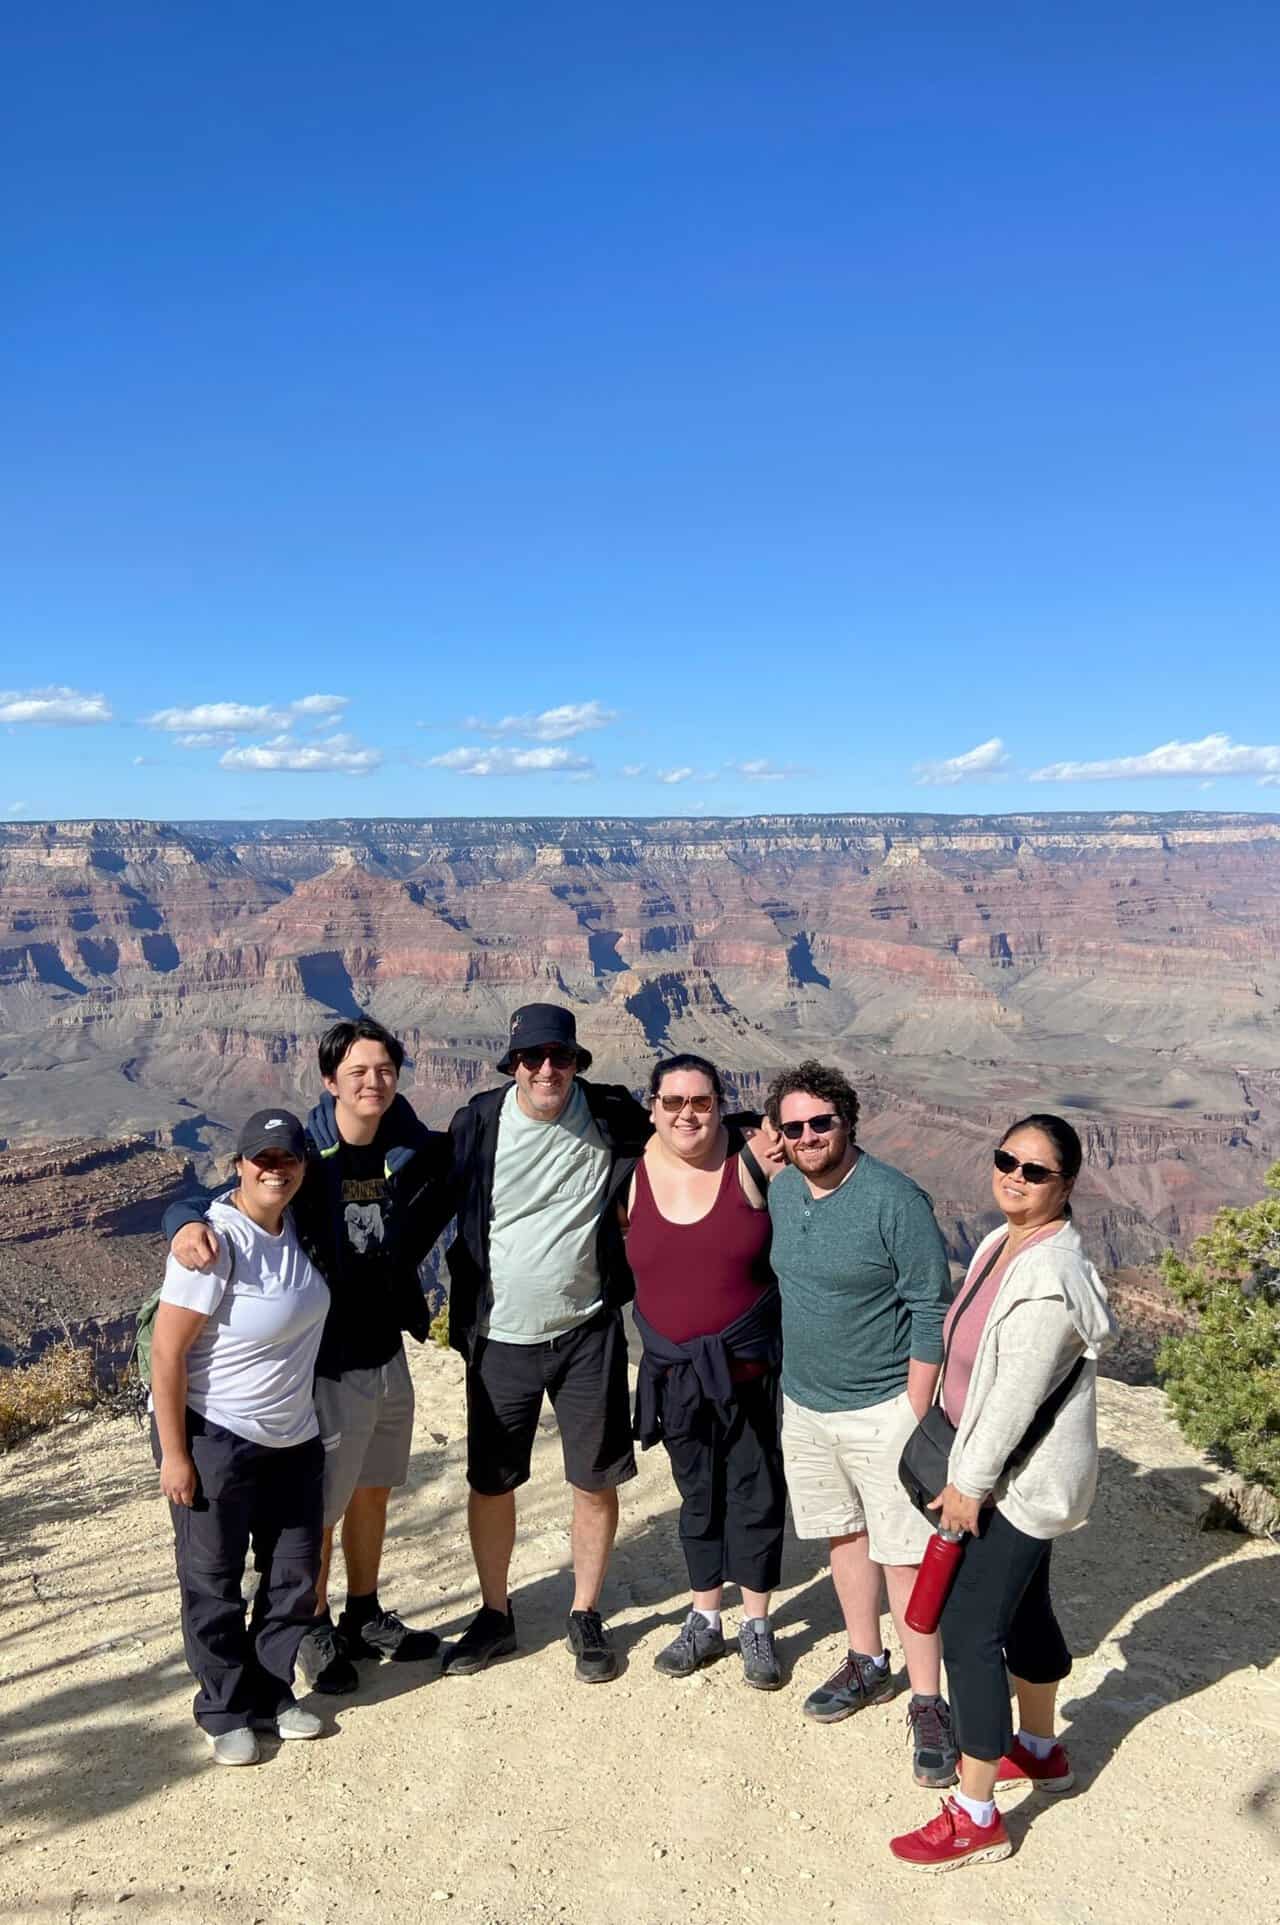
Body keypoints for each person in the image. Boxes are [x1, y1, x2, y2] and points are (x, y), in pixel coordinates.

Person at [165, 1017, 451, 1694]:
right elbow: (218, 1196)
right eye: (357, 1072)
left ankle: (364, 1611)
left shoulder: (406, 1142)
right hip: (327, 1363)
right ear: (330, 1081)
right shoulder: (307, 1154)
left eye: (383, 1070)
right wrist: (178, 1220)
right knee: (321, 1505)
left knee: (375, 1488)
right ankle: (314, 1625)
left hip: (387, 1352)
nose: (373, 1082)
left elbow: (462, 1158)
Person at [889, 1114, 1115, 1870]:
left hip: (1010, 1483)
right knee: (1025, 1608)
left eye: (1036, 1170)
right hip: (998, 1471)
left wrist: (967, 1488)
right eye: (1006, 1159)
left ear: (1068, 1185)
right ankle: (1042, 1749)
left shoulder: (1051, 1278)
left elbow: (1016, 1396)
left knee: (968, 1632)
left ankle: (977, 1812)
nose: (1015, 1175)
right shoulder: (1000, 1241)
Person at [415, 1003, 650, 1684]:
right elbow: (427, 1201)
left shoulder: (610, 1113)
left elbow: (685, 1133)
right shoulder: (479, 1121)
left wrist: (760, 1137)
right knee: (491, 1481)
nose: (548, 1068)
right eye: (533, 1057)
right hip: (499, 1337)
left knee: (595, 1477)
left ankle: (585, 1611)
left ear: (578, 1061)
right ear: (513, 1063)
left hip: (587, 1328)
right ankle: (495, 1613)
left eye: (561, 1056)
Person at [766, 1060, 958, 1789]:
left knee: (905, 1555)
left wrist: (914, 1410)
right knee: (844, 1534)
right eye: (796, 1126)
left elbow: (930, 1306)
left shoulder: (893, 1198)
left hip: (884, 1407)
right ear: (780, 1137)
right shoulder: (785, 1190)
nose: (810, 1134)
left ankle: (928, 1698)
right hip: (807, 1405)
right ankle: (865, 1659)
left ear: (848, 1122)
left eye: (822, 1121)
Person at [150, 1109, 330, 1765]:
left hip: (294, 1436)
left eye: (287, 1157)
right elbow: (167, 1354)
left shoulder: (297, 1226)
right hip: (215, 1435)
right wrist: (175, 1453)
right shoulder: (215, 1242)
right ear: (239, 1166)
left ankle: (269, 1691)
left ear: (303, 1165)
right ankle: (223, 1707)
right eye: (262, 1158)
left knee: (292, 1575)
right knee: (214, 1580)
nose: (274, 1168)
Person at [625, 1056, 786, 1688]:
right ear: (653, 1108)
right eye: (673, 1102)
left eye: (700, 1101)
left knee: (755, 1491)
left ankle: (757, 1623)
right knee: (697, 1497)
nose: (686, 1113)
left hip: (747, 1370)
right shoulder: (630, 1177)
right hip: (676, 1377)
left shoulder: (751, 1163)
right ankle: (704, 1618)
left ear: (721, 1103)